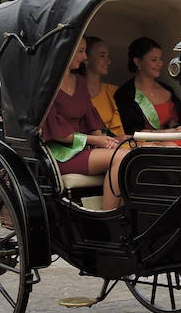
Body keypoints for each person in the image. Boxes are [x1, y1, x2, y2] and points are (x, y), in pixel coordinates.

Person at [43, 39, 130, 210]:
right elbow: (59, 134)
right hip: (61, 153)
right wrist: (97, 141)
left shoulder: (80, 82)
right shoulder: (47, 86)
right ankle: (109, 215)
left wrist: (107, 141)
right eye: (81, 51)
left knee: (130, 153)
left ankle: (125, 212)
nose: (84, 57)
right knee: (122, 157)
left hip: (86, 148)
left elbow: (91, 120)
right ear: (65, 52)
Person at [114, 37, 181, 138]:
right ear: (138, 62)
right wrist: (165, 133)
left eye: (160, 59)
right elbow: (131, 131)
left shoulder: (167, 90)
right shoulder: (126, 94)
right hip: (143, 147)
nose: (160, 64)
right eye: (154, 60)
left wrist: (180, 128)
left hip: (173, 141)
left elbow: (177, 122)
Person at [82, 36, 124, 138]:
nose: (108, 61)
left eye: (108, 56)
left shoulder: (114, 91)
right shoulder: (75, 92)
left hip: (123, 144)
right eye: (102, 56)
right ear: (85, 58)